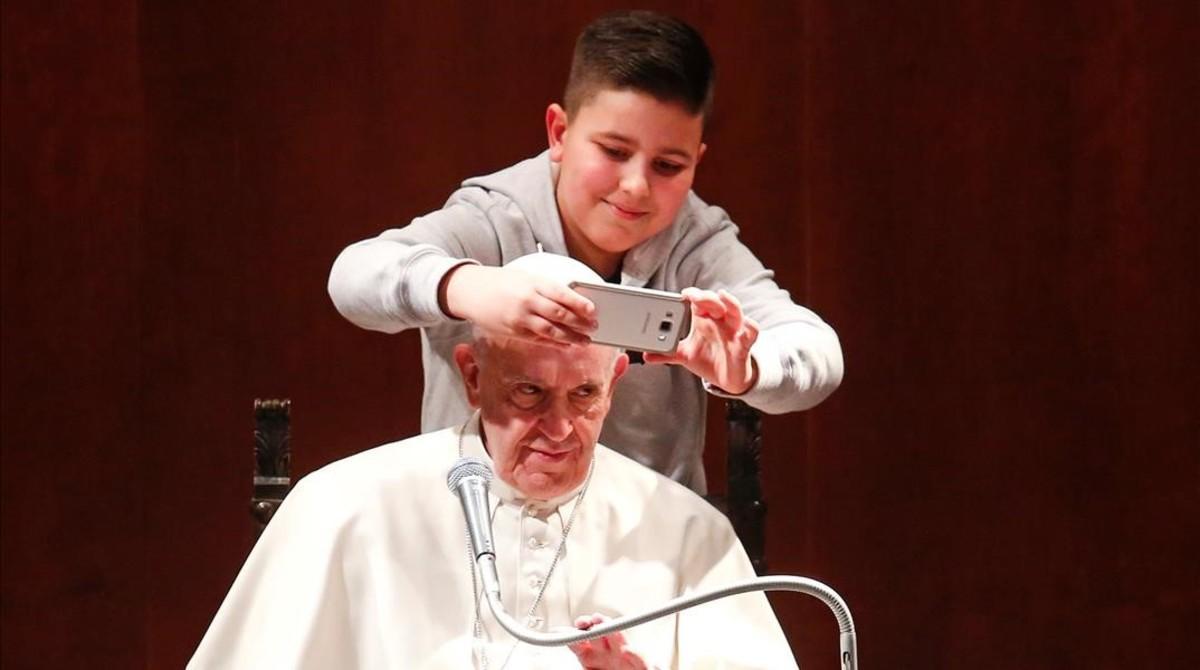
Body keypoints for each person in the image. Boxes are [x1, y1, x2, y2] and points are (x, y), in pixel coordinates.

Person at [192, 254, 799, 669]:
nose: (559, 429)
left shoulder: (689, 537)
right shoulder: (341, 506)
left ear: (615, 381)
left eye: (584, 395)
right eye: (529, 393)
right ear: (473, 376)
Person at [327, 10, 843, 494]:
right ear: (560, 132)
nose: (637, 186)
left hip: (642, 553)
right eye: (614, 152)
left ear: (697, 160)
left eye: (668, 166)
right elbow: (352, 276)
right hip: (478, 532)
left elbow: (819, 353)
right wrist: (469, 286)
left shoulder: (695, 241)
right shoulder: (492, 219)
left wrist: (746, 366)